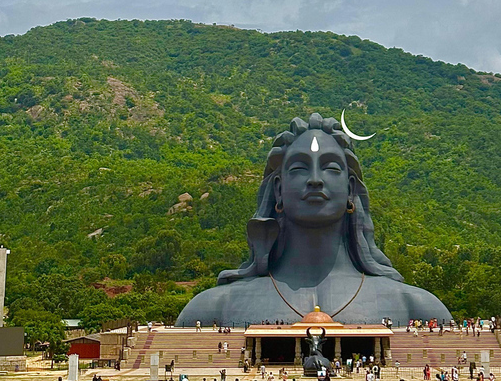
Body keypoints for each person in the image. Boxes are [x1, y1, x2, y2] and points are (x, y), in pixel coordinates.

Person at [175, 114, 452, 325]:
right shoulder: (213, 309)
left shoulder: (416, 306)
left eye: (331, 167)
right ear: (279, 190)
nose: (316, 180)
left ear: (351, 189)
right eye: (299, 168)